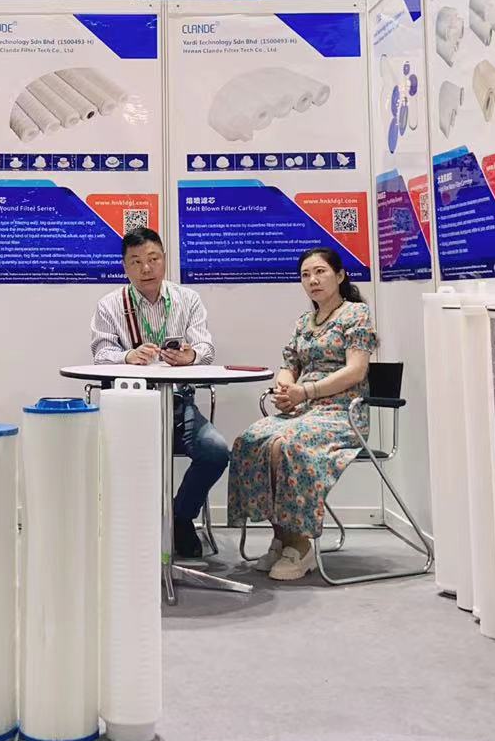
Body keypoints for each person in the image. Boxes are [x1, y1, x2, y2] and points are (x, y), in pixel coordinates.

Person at [227, 246, 377, 582]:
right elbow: (289, 365)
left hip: (341, 412)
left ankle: (300, 545)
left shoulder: (356, 314)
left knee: (285, 445)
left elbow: (356, 371)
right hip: (304, 410)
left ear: (340, 275)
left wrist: (306, 391)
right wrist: (285, 390)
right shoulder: (303, 323)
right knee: (249, 440)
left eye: (320, 272)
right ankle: (281, 538)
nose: (313, 280)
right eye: (306, 275)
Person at [90, 227, 229, 560]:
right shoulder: (111, 305)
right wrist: (127, 356)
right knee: (127, 459)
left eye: (153, 259)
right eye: (136, 261)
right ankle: (135, 527)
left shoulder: (187, 299)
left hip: (179, 405)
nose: (146, 268)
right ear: (125, 266)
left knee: (215, 451)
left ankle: (180, 517)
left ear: (165, 259)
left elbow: (206, 348)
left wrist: (190, 356)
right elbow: (100, 353)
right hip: (130, 406)